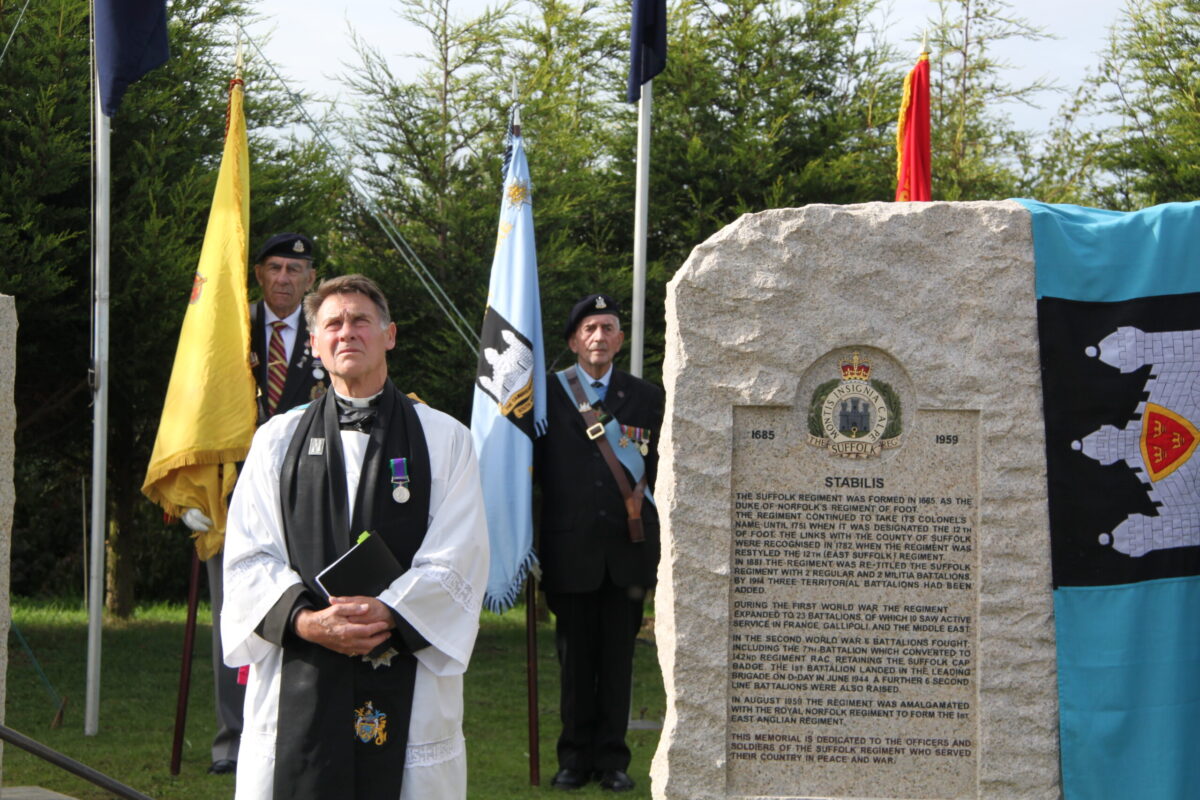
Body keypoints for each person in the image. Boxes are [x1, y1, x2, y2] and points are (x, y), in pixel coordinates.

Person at [221, 274, 488, 799]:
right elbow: (250, 553)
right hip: (302, 660)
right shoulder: (276, 440)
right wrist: (305, 619)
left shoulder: (445, 438)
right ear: (316, 344)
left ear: (389, 335)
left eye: (361, 320)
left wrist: (390, 612)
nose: (348, 332)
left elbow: (461, 553)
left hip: (405, 664)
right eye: (333, 324)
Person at [182, 232, 330, 775]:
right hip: (231, 496)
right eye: (275, 267)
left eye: (296, 269)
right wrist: (190, 485)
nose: (285, 278)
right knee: (235, 615)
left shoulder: (327, 329)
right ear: (259, 274)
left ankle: (296, 728)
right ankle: (233, 740)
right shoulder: (228, 329)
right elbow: (192, 402)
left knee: (306, 609)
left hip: (307, 493)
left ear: (311, 278)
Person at [535, 294, 664, 792]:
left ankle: (612, 759)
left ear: (620, 339)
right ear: (573, 340)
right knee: (574, 662)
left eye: (608, 328)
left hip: (628, 552)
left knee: (617, 662)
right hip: (570, 551)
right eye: (589, 328)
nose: (599, 337)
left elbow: (656, 474)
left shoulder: (646, 397)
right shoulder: (545, 394)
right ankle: (573, 758)